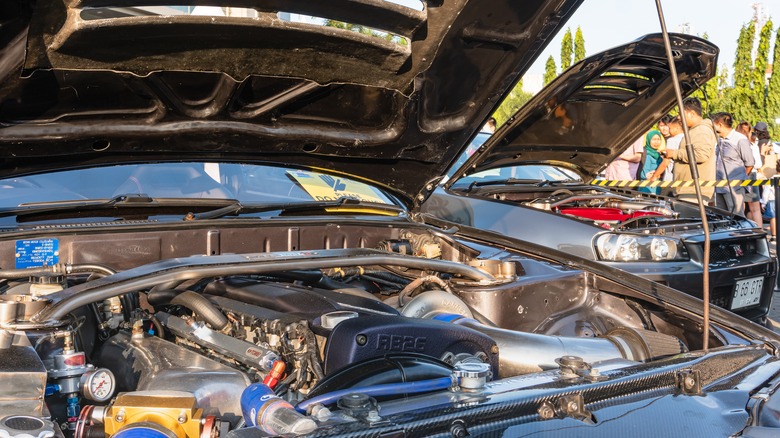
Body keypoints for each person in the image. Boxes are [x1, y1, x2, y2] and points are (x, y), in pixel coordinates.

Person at [663, 97, 716, 203]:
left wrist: (674, 154)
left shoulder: (701, 130)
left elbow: (701, 155)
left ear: (691, 113)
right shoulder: (695, 130)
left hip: (693, 191)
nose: (678, 117)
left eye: (680, 113)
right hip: (689, 189)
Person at [711, 112, 754, 216]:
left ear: (719, 124)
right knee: (722, 217)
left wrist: (739, 181)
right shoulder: (719, 140)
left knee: (736, 217)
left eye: (713, 124)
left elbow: (750, 163)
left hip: (734, 188)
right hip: (720, 186)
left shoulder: (740, 139)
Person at [736, 121, 763, 226]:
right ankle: (759, 233)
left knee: (740, 208)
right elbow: (758, 164)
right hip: (751, 174)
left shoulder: (735, 142)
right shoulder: (752, 144)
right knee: (755, 209)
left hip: (738, 174)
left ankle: (742, 231)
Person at [636, 129, 666, 194]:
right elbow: (644, 174)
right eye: (654, 139)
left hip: (657, 187)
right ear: (648, 140)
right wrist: (656, 174)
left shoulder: (658, 155)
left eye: (658, 139)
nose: (656, 142)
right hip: (646, 188)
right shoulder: (646, 154)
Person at [662, 117, 684, 181]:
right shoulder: (687, 138)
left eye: (670, 128)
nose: (669, 130)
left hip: (670, 177)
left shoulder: (672, 140)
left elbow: (666, 162)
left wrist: (655, 175)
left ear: (676, 128)